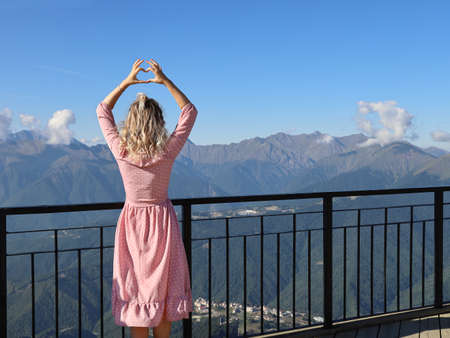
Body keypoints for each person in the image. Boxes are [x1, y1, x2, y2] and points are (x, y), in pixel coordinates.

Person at [96, 58, 197, 338]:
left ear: (130, 122)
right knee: (163, 295)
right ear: (159, 122)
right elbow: (189, 112)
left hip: (131, 227)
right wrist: (165, 80)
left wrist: (127, 82)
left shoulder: (121, 150)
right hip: (162, 225)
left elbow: (102, 111)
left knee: (137, 295)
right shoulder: (167, 151)